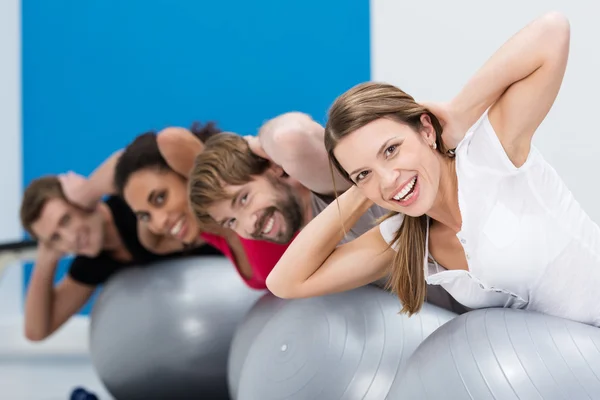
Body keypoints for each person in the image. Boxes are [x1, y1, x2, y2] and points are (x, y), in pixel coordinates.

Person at [266, 12, 600, 327]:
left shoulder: (489, 155)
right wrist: (364, 191)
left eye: (391, 150)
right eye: (362, 173)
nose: (389, 177)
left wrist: (456, 113)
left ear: (426, 130)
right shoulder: (405, 237)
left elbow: (552, 31)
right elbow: (286, 282)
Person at [188, 117, 470, 314]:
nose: (249, 223)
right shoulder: (312, 241)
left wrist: (259, 142)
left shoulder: (330, 186)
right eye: (231, 222)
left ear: (274, 167)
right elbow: (280, 283)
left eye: (244, 199)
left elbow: (288, 138)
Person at [20, 172, 218, 342]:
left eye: (66, 219)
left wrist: (89, 190)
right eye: (55, 237)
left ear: (80, 201)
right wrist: (46, 258)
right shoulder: (92, 262)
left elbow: (131, 159)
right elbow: (36, 332)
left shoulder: (134, 206)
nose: (71, 238)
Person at [110, 123, 292, 289]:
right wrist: (133, 187)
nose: (158, 223)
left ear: (188, 176)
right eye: (145, 216)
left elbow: (170, 139)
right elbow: (152, 242)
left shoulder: (258, 200)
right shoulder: (210, 232)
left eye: (160, 198)